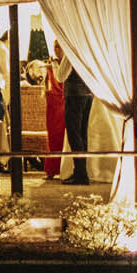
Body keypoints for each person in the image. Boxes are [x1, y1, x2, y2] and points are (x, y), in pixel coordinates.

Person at [61, 53, 93, 186]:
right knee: (82, 135)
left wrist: (56, 63)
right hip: (88, 93)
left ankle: (81, 175)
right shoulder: (86, 50)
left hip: (74, 94)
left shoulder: (71, 51)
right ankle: (80, 172)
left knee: (74, 135)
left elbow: (60, 75)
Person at [43, 43, 68, 180]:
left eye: (59, 46)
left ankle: (62, 167)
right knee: (53, 137)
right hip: (53, 103)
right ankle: (51, 168)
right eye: (55, 47)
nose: (56, 49)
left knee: (63, 136)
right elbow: (46, 83)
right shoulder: (51, 63)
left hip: (64, 101)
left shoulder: (66, 63)